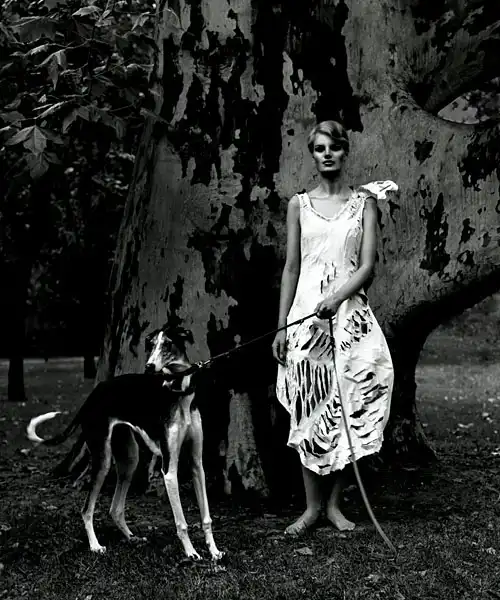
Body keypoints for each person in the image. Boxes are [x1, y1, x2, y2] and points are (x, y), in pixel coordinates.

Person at [272, 120, 396, 536]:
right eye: (319, 148)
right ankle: (310, 508)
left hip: (350, 321)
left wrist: (337, 297)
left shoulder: (365, 204)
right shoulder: (299, 205)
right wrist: (281, 327)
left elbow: (367, 266)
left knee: (352, 403)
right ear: (313, 155)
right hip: (306, 321)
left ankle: (334, 504)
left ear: (345, 152)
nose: (327, 154)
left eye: (334, 147)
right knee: (308, 406)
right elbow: (292, 268)